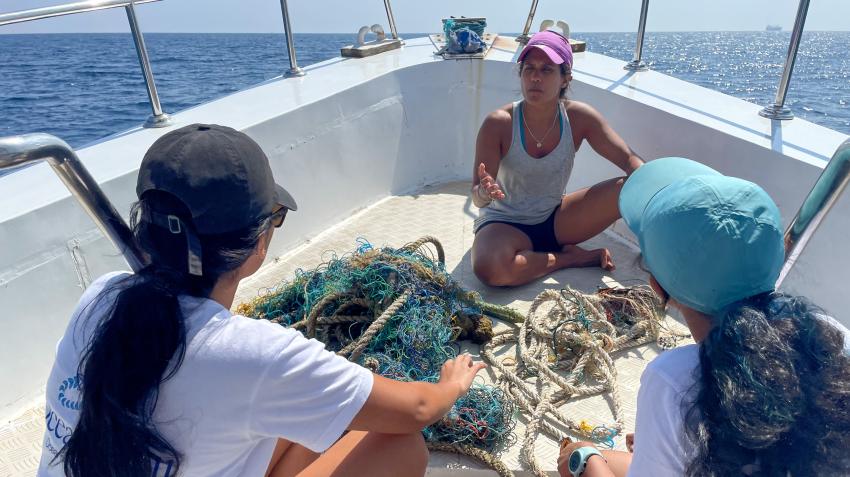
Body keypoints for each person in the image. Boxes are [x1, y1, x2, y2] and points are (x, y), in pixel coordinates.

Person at [38, 124, 486, 477]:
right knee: (399, 444)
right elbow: (418, 411)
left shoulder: (100, 298)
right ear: (257, 243)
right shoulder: (258, 356)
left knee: (312, 420)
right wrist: (452, 384)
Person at [556, 157, 850, 477]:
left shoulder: (673, 381)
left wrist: (584, 461)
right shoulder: (829, 335)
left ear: (657, 287)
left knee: (590, 459)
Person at [471, 30, 643, 287]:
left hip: (558, 220)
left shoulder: (579, 118)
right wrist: (484, 193)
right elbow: (476, 196)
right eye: (528, 68)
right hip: (505, 224)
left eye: (547, 69)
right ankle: (569, 259)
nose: (535, 77)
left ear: (565, 78)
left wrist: (657, 187)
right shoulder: (499, 123)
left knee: (632, 187)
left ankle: (549, 256)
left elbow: (629, 158)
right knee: (491, 269)